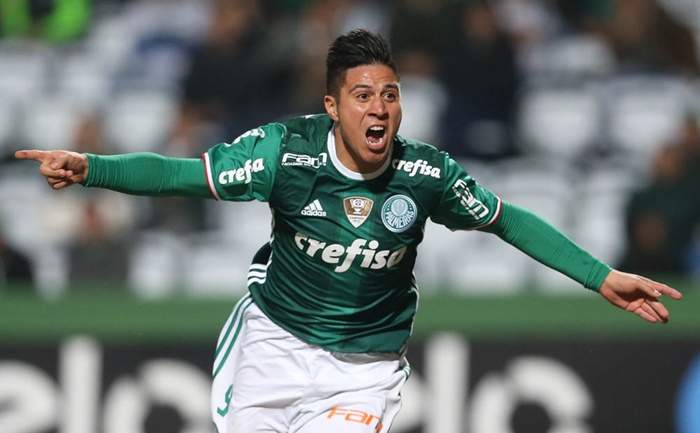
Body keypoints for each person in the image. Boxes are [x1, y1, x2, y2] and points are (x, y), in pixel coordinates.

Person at [16, 29, 682, 433]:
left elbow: (507, 220)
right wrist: (92, 167)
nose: (380, 108)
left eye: (390, 94)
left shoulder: (425, 174)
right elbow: (181, 174)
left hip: (364, 368)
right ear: (333, 106)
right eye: (364, 96)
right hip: (274, 345)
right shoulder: (284, 153)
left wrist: (601, 276)